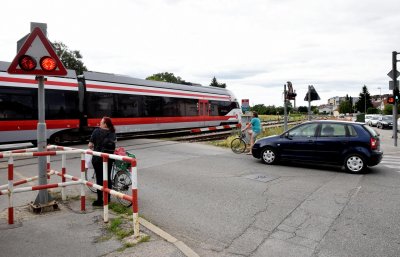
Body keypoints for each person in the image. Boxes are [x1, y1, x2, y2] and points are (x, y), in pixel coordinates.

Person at [88, 117, 116, 206]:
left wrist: (93, 145)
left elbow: (90, 145)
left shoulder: (96, 131)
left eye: (101, 122)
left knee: (100, 178)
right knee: (107, 177)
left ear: (105, 124)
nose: (99, 124)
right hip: (109, 158)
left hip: (98, 159)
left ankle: (100, 200)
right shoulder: (112, 132)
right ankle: (107, 198)